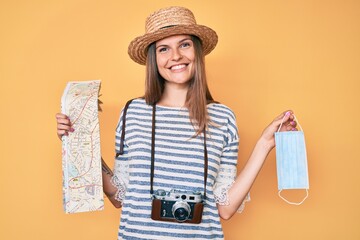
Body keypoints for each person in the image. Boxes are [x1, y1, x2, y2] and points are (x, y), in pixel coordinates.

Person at [55, 6, 297, 240]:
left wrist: (265, 144)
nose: (176, 56)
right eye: (163, 49)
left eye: (184, 44)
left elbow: (225, 208)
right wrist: (80, 144)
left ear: (197, 52)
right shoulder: (133, 112)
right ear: (153, 59)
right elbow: (120, 196)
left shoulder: (223, 118)